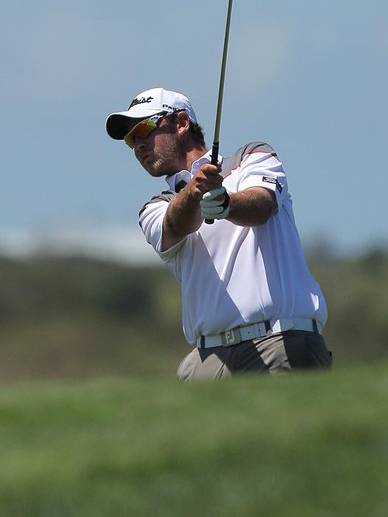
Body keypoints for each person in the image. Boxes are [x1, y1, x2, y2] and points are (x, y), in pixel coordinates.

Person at [105, 87, 331, 380]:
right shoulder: (155, 207)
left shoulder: (253, 157)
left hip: (279, 342)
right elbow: (175, 226)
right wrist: (196, 191)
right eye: (131, 139)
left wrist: (225, 203)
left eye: (145, 129)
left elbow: (263, 205)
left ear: (182, 123)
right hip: (207, 361)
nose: (138, 145)